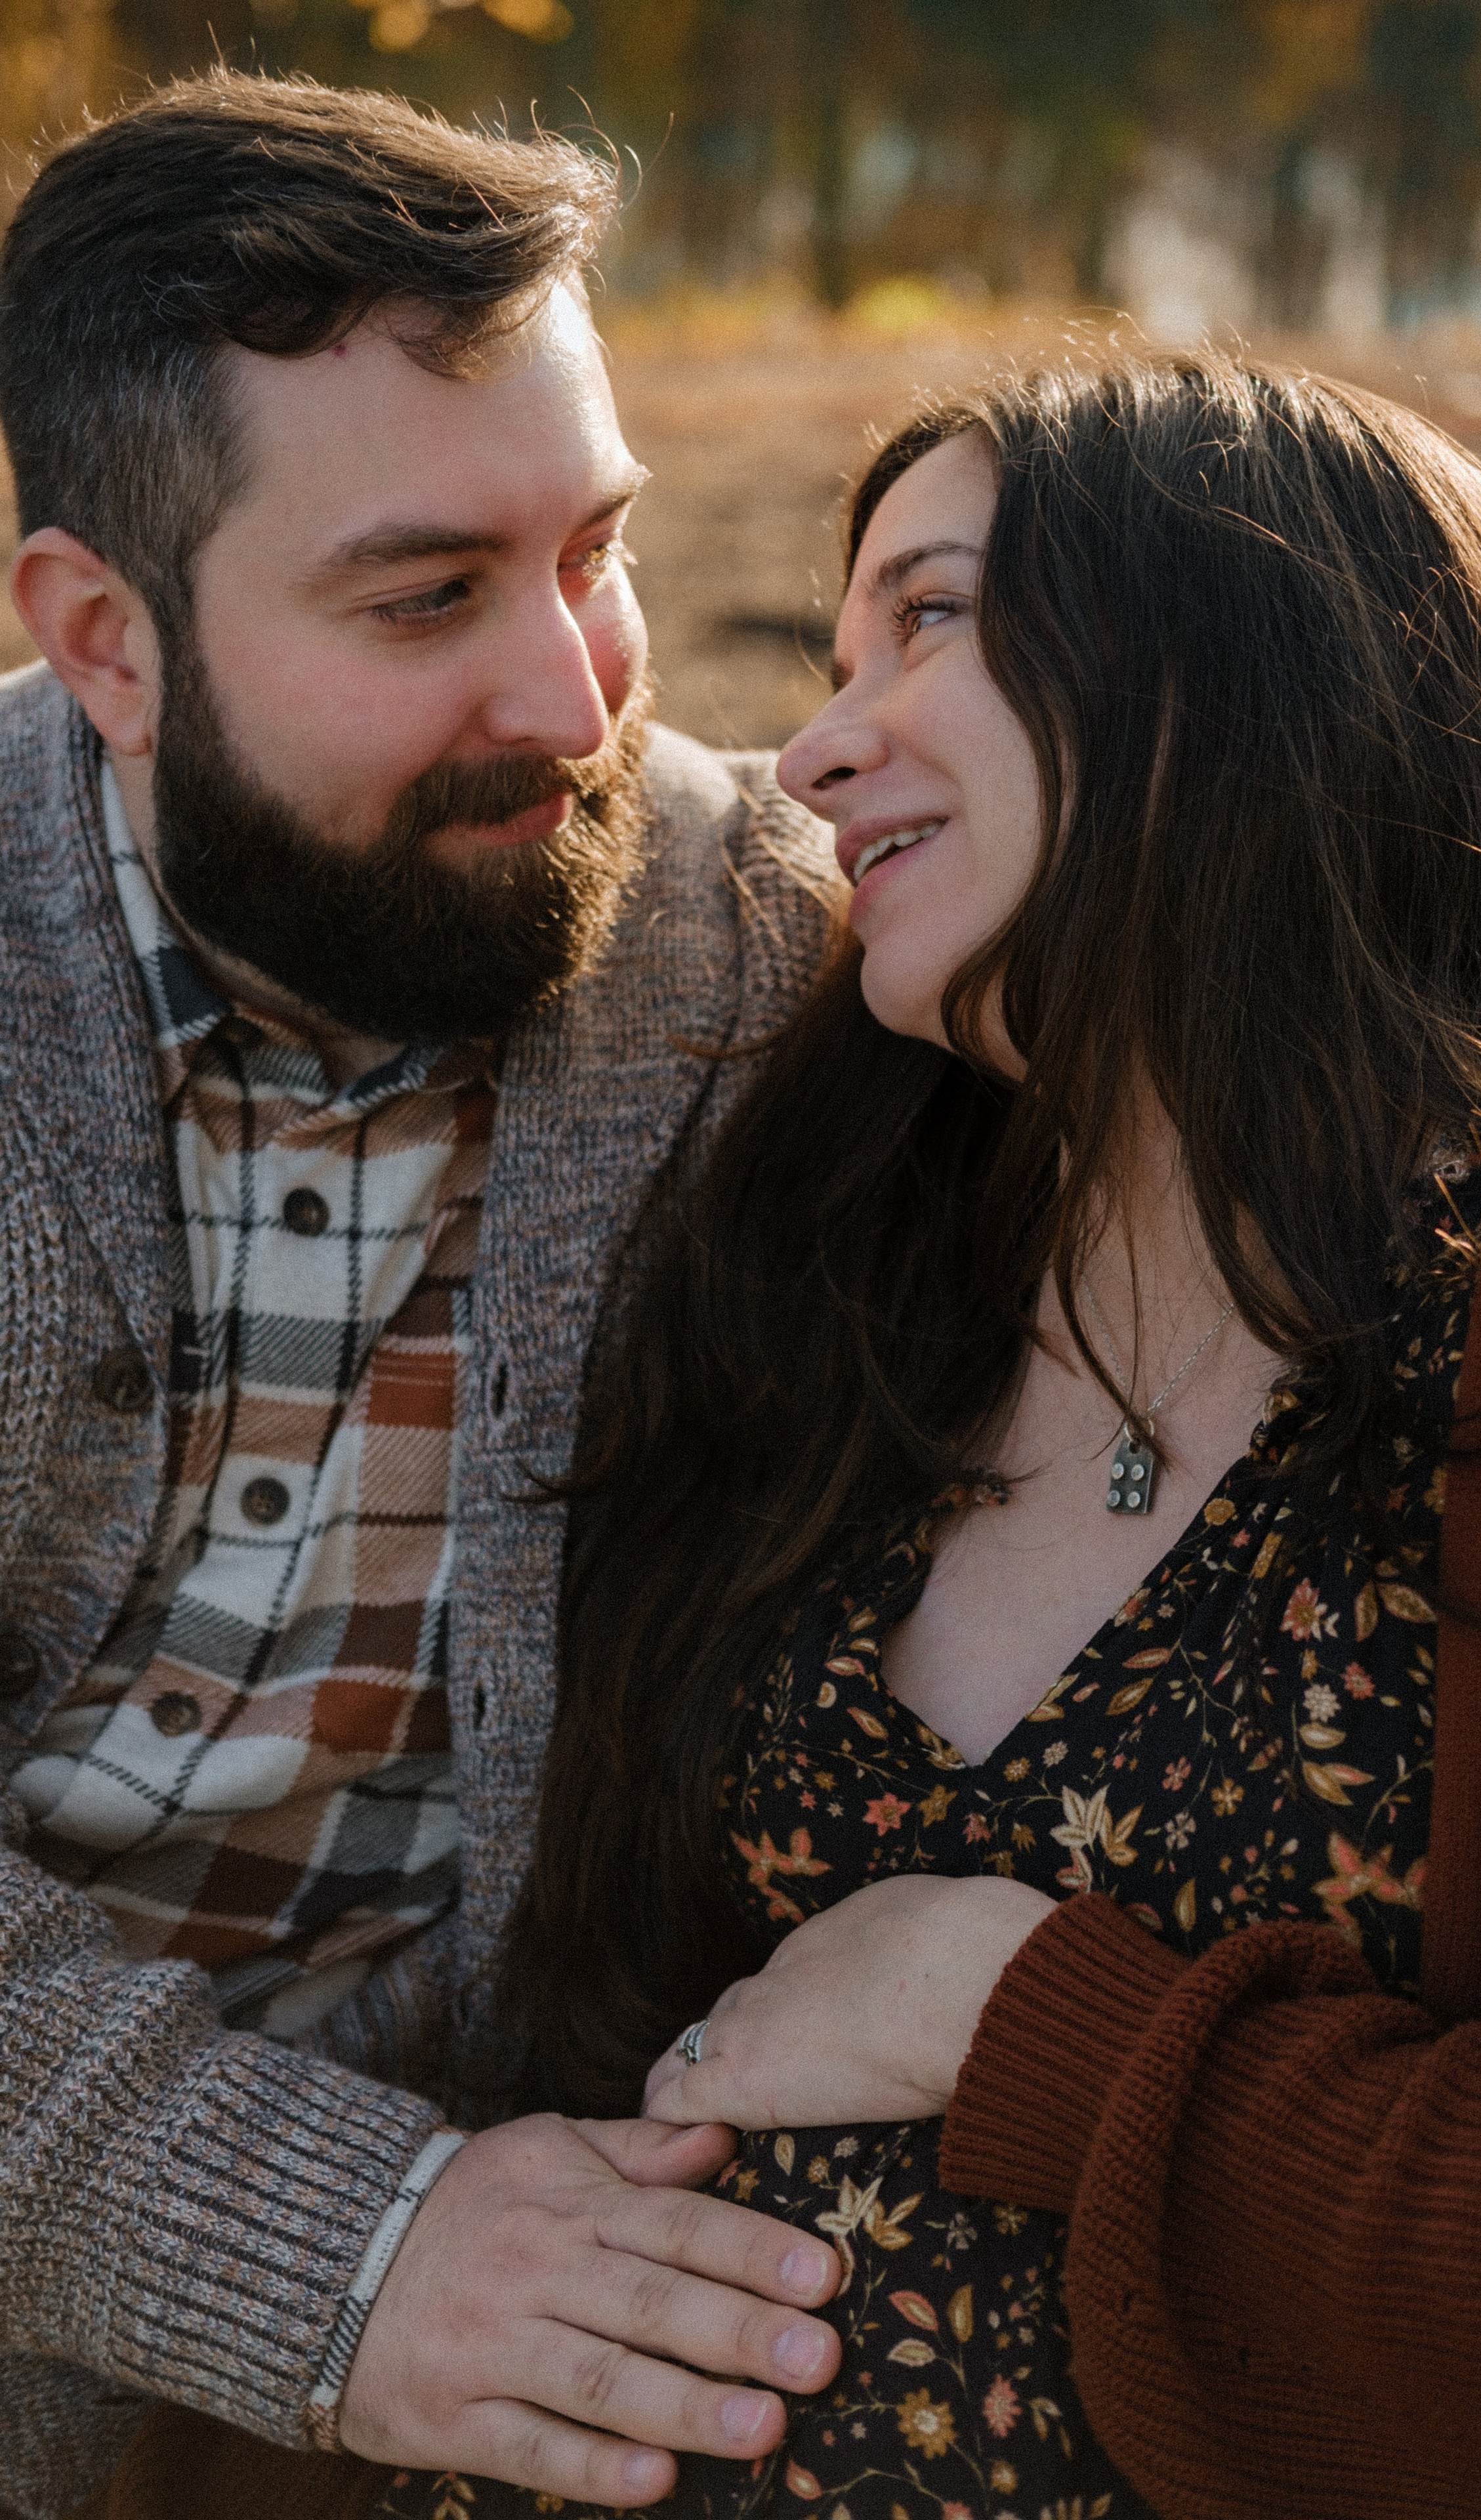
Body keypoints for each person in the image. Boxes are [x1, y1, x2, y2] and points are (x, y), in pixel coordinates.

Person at [362, 352, 1481, 2519]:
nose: (811, 747)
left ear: (1239, 667)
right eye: (835, 649)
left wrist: (1023, 2018)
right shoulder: (848, 1312)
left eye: (936, 621)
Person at [0, 70, 856, 2520]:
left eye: (598, 551)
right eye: (423, 599)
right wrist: (339, 2252)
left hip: (585, 2261)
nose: (585, 706)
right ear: (106, 639)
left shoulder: (785, 962)